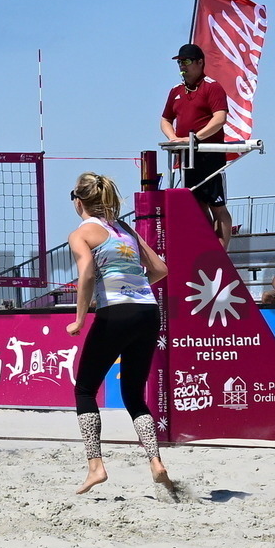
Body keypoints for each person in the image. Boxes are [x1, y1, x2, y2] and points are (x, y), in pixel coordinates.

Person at [66, 172, 171, 495]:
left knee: (85, 389)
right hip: (148, 310)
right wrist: (133, 288)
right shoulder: (125, 229)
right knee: (134, 395)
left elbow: (85, 274)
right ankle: (156, 462)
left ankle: (96, 466)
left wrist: (80, 318)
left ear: (78, 202)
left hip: (116, 311)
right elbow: (160, 269)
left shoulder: (81, 234)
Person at [160, 43, 233, 249]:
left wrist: (196, 138)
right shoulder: (175, 91)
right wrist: (174, 138)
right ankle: (207, 246)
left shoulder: (212, 86)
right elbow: (165, 119)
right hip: (186, 156)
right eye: (180, 62)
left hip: (209, 153)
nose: (182, 66)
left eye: (187, 62)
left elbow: (220, 118)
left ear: (200, 62)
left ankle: (221, 250)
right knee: (195, 203)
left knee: (216, 204)